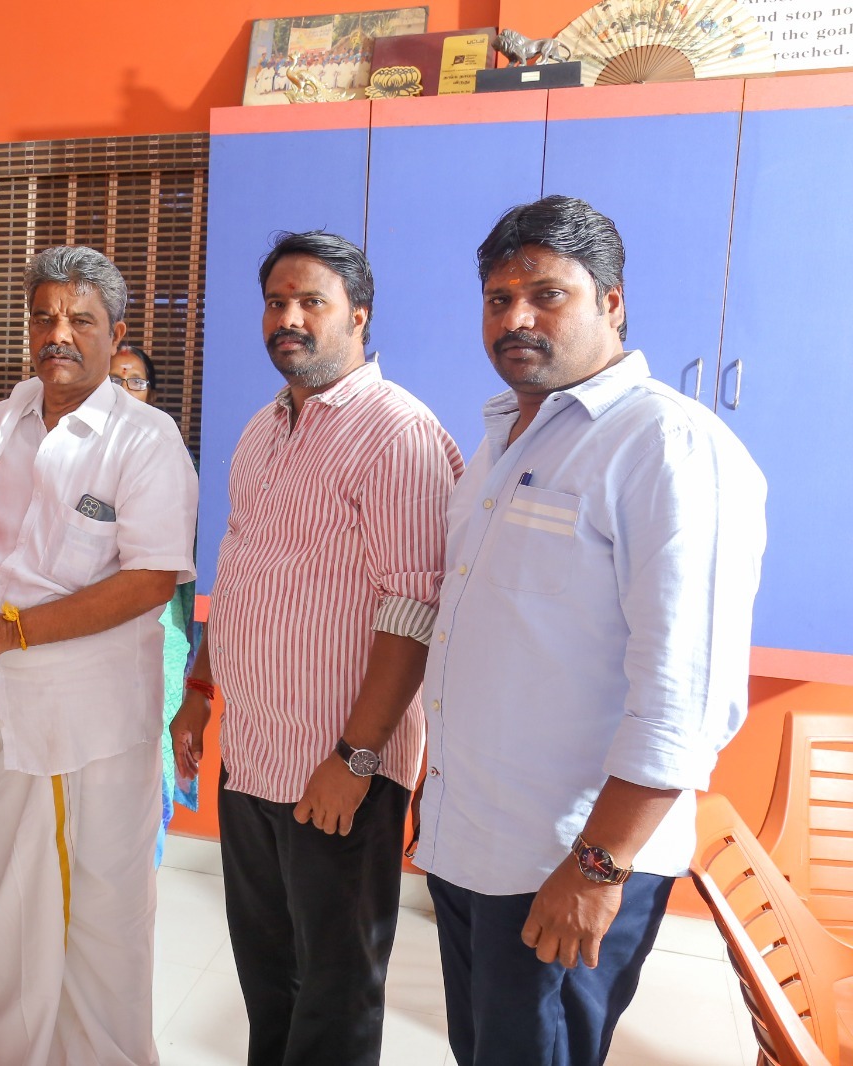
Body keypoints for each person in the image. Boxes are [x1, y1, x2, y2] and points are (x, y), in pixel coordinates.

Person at [412, 195, 766, 1066]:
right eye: (498, 299)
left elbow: (686, 695)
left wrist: (598, 866)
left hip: (566, 858)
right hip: (474, 844)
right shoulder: (503, 442)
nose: (516, 318)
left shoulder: (666, 444)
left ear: (612, 302)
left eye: (547, 295)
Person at [170, 230, 462, 1066]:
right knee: (270, 982)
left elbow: (414, 609)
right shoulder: (262, 430)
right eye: (275, 302)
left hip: (338, 771)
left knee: (335, 995)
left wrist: (357, 758)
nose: (288, 318)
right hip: (254, 758)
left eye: (311, 302)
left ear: (358, 316)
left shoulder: (397, 432)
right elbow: (239, 574)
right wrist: (199, 690)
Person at [0, 246, 198, 1066]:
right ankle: (8, 1052)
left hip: (91, 720)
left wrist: (10, 629)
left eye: (80, 319)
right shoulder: (0, 424)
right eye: (44, 317)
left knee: (102, 910)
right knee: (3, 901)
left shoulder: (144, 438)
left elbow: (149, 581)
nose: (58, 334)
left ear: (116, 332)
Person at [107, 342, 200, 865]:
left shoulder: (171, 455)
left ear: (152, 393)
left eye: (135, 381)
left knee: (149, 752)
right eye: (113, 380)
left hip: (157, 627)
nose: (124, 391)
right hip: (86, 626)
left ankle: (144, 869)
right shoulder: (69, 451)